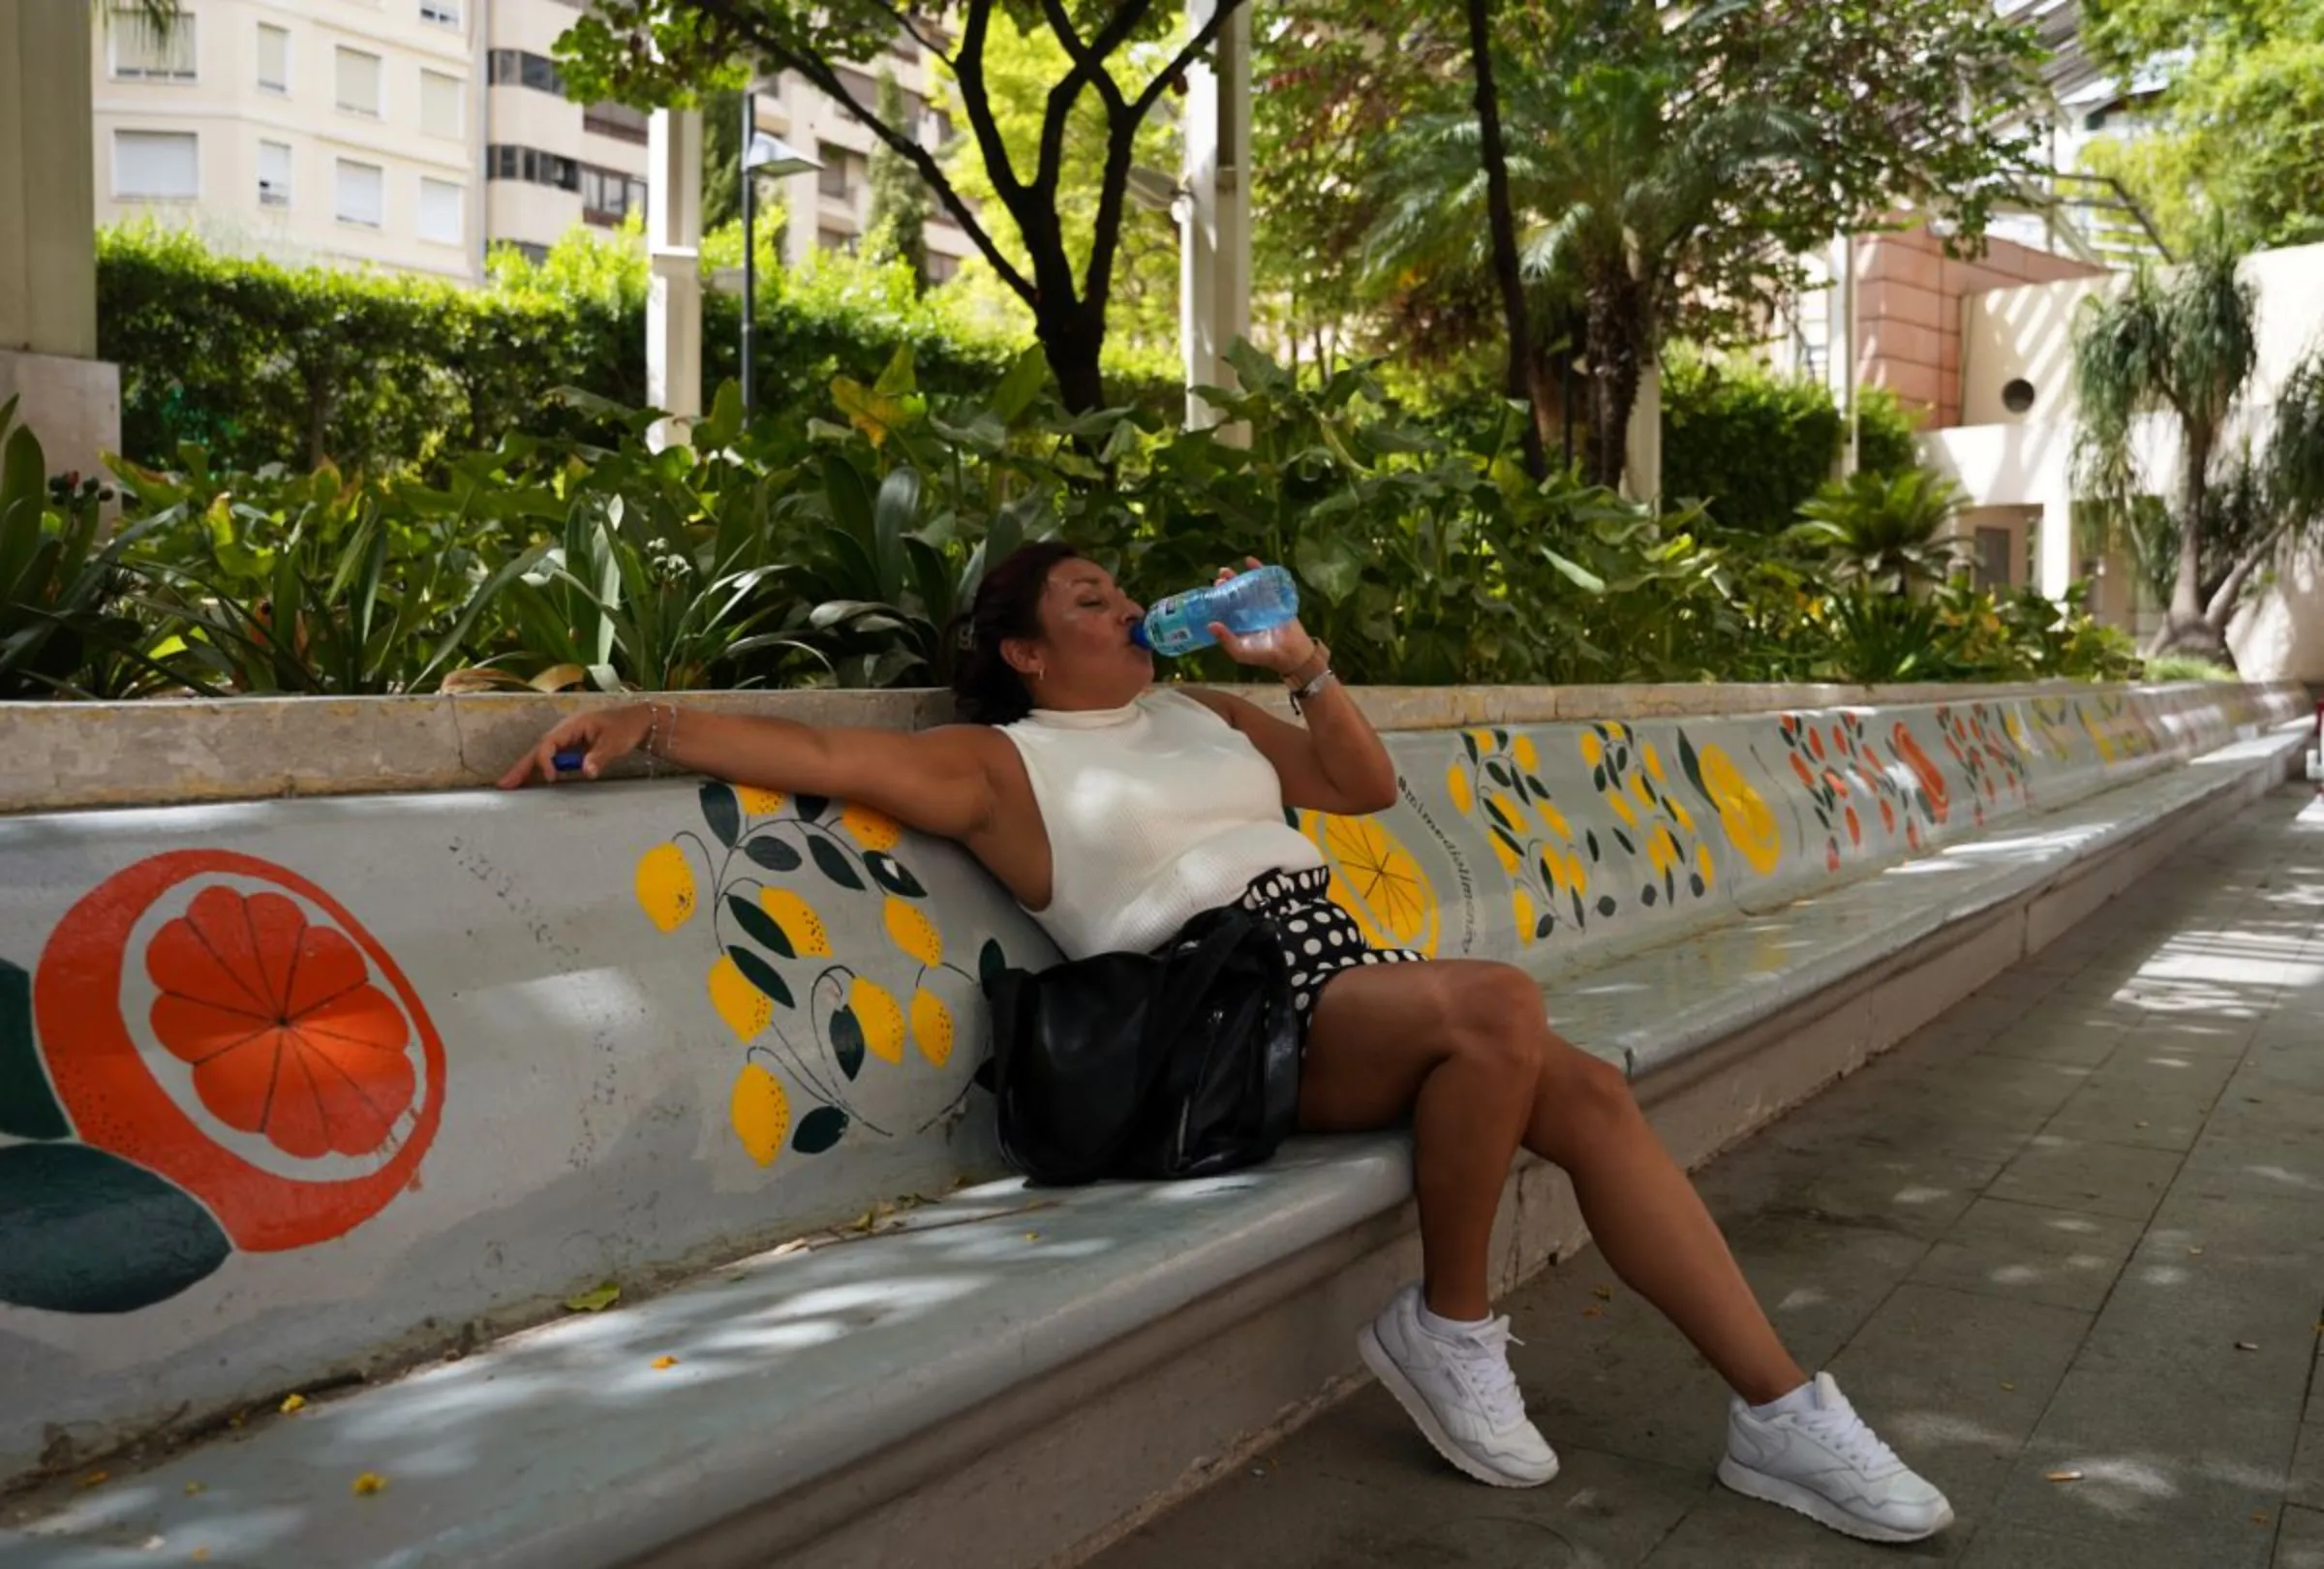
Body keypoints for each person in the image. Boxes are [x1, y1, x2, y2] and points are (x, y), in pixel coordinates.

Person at [500, 543, 1952, 1545]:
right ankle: (1450, 1328)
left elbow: (1359, 789)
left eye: (1123, 588)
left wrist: (1304, 664)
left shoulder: (1198, 710)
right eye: (1087, 597)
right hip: (1210, 1026)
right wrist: (650, 723)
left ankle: (1780, 1411)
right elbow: (820, 759)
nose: (1123, 603)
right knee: (1503, 1008)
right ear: (1022, 648)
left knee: (1575, 1090)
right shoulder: (1000, 764)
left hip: (1348, 985)